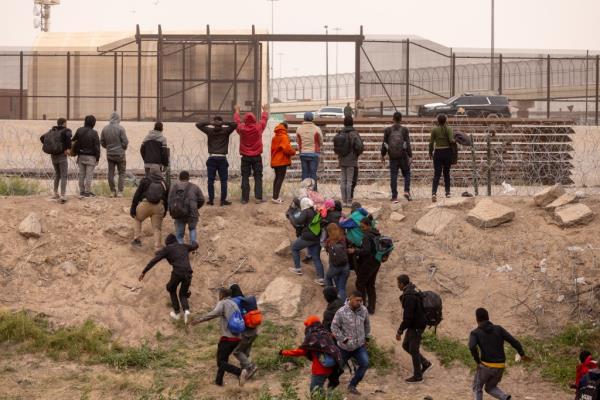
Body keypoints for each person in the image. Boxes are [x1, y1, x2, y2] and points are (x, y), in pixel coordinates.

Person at [191, 287, 248, 387]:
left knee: (220, 362)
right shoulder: (234, 303)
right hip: (237, 338)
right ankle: (218, 382)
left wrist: (199, 320)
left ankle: (239, 372)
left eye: (219, 294)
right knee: (224, 360)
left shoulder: (223, 302)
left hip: (227, 338)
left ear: (222, 294)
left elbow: (214, 313)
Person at [469, 307, 528, 400]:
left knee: (477, 387)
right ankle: (505, 398)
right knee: (490, 388)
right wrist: (522, 354)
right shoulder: (499, 329)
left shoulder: (475, 333)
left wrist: (477, 361)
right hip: (500, 367)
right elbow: (514, 341)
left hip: (485, 366)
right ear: (488, 317)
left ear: (477, 320)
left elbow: (472, 346)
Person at [138, 233, 198, 324]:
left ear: (167, 243)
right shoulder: (184, 246)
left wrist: (144, 271)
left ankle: (177, 313)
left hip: (178, 273)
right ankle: (187, 311)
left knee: (170, 288)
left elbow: (155, 260)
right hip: (188, 273)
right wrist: (193, 241)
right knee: (182, 294)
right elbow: (195, 246)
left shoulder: (167, 249)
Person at [280, 315, 342, 396]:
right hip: (331, 367)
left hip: (319, 369)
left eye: (307, 325)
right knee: (324, 390)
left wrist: (284, 352)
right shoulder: (326, 333)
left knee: (314, 392)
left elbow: (301, 352)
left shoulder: (312, 337)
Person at [330, 291, 370, 395]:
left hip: (359, 346)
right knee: (337, 368)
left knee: (365, 363)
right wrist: (344, 340)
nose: (359, 303)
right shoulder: (341, 312)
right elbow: (334, 328)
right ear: (350, 299)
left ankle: (352, 385)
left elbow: (367, 324)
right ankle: (332, 385)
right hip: (344, 348)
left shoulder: (363, 310)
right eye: (357, 300)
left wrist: (366, 338)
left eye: (361, 301)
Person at [395, 274, 431, 383]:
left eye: (398, 283)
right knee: (406, 345)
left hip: (416, 325)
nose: (398, 286)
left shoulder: (409, 296)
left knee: (413, 349)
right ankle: (425, 363)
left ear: (401, 284)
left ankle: (418, 376)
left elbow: (408, 318)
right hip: (414, 325)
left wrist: (400, 331)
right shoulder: (412, 289)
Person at [195, 116, 237, 206]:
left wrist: (210, 123)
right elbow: (235, 124)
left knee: (211, 180)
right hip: (222, 158)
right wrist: (223, 123)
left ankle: (211, 200)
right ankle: (222, 201)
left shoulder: (210, 131)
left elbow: (198, 125)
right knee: (223, 181)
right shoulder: (226, 131)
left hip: (212, 158)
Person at [234, 104, 269, 204]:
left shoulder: (241, 128)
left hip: (245, 157)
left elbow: (237, 121)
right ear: (254, 119)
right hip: (257, 157)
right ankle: (258, 197)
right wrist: (265, 110)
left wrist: (237, 111)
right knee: (258, 177)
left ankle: (245, 199)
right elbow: (264, 119)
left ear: (244, 120)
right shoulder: (258, 128)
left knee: (245, 177)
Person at [289, 197, 326, 286]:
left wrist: (291, 214)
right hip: (317, 238)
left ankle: (297, 268)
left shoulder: (306, 211)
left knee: (294, 247)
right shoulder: (314, 211)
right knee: (316, 257)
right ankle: (321, 278)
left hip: (308, 236)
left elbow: (298, 221)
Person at [351, 215, 382, 315]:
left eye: (363, 227)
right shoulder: (376, 232)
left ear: (368, 225)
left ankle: (361, 307)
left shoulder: (367, 236)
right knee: (370, 284)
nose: (361, 229)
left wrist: (355, 250)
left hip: (368, 263)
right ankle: (371, 308)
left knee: (360, 283)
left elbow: (366, 251)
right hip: (376, 262)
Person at [130, 169, 168, 250]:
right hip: (159, 206)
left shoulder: (145, 180)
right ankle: (157, 247)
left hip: (145, 204)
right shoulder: (164, 183)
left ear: (150, 173)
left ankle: (137, 240)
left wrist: (133, 208)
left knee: (137, 219)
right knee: (157, 228)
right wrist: (165, 211)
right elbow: (167, 199)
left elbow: (137, 194)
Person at [381, 111, 412, 202]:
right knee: (407, 173)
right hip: (403, 155)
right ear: (401, 119)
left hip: (392, 156)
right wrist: (410, 155)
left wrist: (382, 155)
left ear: (393, 119)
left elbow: (385, 143)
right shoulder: (404, 130)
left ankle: (394, 196)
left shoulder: (388, 130)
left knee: (393, 176)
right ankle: (406, 191)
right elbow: (407, 143)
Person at [230, 284, 259, 380]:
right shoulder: (246, 301)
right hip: (254, 330)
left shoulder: (234, 302)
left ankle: (250, 367)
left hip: (246, 333)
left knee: (237, 351)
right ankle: (244, 374)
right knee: (245, 353)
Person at [40, 117, 72, 203]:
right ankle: (63, 195)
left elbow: (42, 138)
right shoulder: (66, 131)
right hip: (62, 155)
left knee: (57, 174)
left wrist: (51, 146)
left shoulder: (52, 131)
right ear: (64, 123)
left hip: (53, 156)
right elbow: (68, 138)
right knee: (64, 175)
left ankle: (55, 193)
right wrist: (68, 148)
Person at [168, 170, 205, 245]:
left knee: (179, 235)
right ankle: (193, 247)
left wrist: (172, 211)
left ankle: (181, 249)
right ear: (188, 178)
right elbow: (202, 199)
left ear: (179, 178)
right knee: (192, 229)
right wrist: (196, 207)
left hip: (178, 212)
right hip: (192, 212)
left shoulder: (173, 187)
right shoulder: (195, 187)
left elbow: (169, 200)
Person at [335, 116, 364, 207]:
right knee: (349, 181)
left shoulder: (340, 133)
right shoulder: (354, 133)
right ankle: (349, 201)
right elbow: (359, 146)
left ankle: (343, 201)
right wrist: (356, 154)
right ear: (352, 123)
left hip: (342, 160)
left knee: (343, 180)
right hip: (351, 160)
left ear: (344, 123)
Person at [100, 112, 129, 197]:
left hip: (110, 154)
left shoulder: (105, 129)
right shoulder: (121, 129)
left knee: (110, 173)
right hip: (120, 154)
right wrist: (123, 148)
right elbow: (125, 142)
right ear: (118, 118)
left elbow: (102, 141)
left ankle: (112, 191)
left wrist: (108, 147)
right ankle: (120, 192)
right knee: (122, 173)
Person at [72, 115, 100, 197]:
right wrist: (97, 158)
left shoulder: (79, 130)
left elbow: (73, 141)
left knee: (81, 174)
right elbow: (97, 147)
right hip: (91, 157)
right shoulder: (94, 133)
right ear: (93, 123)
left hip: (81, 156)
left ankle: (81, 191)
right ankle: (87, 192)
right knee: (89, 175)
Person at [429, 113, 455, 202]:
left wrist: (430, 152)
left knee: (437, 174)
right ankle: (447, 193)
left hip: (438, 152)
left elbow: (431, 143)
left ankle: (433, 193)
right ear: (446, 120)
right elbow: (451, 140)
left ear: (438, 121)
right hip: (447, 152)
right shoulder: (449, 129)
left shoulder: (434, 130)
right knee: (446, 173)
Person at [296, 112, 323, 191]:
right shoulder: (316, 129)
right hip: (314, 154)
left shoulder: (299, 129)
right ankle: (314, 191)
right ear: (312, 119)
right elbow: (321, 141)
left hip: (303, 154)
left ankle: (304, 192)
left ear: (304, 118)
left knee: (305, 173)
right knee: (313, 173)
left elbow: (298, 141)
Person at [270, 121, 296, 204]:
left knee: (277, 178)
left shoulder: (275, 137)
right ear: (285, 128)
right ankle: (275, 197)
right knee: (280, 179)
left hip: (275, 160)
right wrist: (293, 152)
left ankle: (275, 196)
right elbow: (287, 149)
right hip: (281, 161)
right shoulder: (284, 137)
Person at [324, 223, 350, 301]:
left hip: (335, 266)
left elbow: (327, 249)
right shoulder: (343, 238)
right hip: (345, 266)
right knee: (341, 288)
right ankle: (344, 306)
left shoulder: (329, 241)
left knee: (328, 278)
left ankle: (332, 297)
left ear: (329, 232)